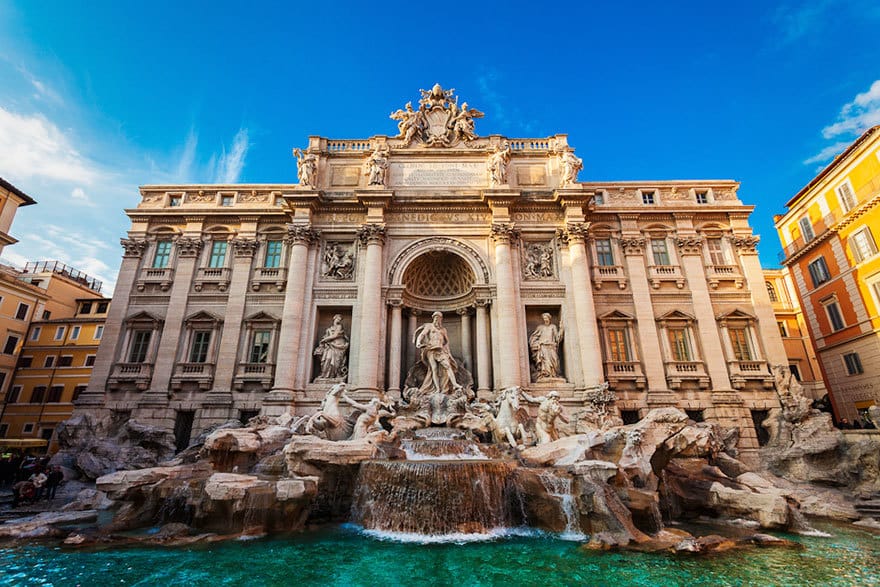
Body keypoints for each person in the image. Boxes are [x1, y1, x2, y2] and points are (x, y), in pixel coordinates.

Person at [415, 312, 461, 394]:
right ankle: (437, 389)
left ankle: (454, 384)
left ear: (441, 319)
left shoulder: (443, 330)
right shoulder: (429, 326)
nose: (437, 319)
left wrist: (447, 351)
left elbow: (446, 341)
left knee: (447, 366)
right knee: (434, 369)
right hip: (431, 350)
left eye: (439, 318)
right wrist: (418, 342)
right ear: (433, 318)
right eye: (435, 317)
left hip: (440, 350)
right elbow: (422, 335)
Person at [529, 313, 564, 380]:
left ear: (549, 318)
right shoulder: (540, 327)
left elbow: (557, 338)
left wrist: (561, 329)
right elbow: (534, 337)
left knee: (554, 360)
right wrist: (537, 343)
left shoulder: (553, 327)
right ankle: (545, 374)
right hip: (543, 347)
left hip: (551, 347)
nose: (545, 319)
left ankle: (553, 374)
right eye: (544, 318)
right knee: (545, 361)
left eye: (546, 318)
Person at [314, 314, 349, 380]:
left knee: (337, 362)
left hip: (338, 345)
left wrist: (325, 339)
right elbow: (325, 336)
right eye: (338, 319)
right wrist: (324, 341)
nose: (339, 320)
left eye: (340, 320)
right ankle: (324, 374)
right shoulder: (329, 329)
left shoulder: (339, 327)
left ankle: (335, 374)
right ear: (334, 318)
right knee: (328, 359)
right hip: (330, 346)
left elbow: (335, 335)